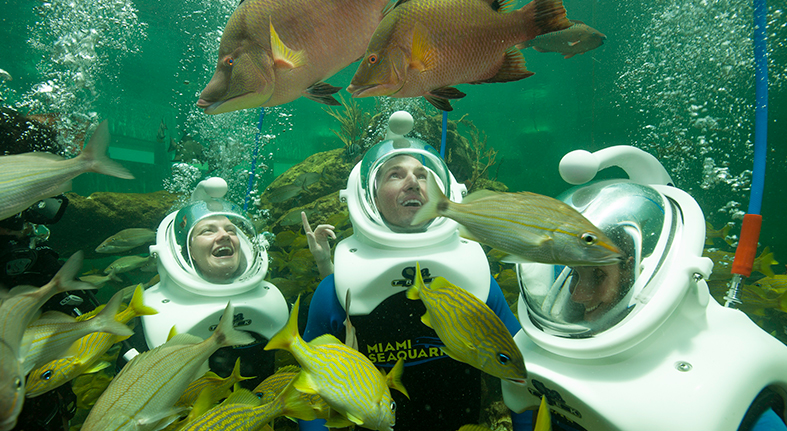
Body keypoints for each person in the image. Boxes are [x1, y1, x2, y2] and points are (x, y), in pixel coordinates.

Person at [503, 146, 787, 430]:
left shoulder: (727, 395)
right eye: (575, 276)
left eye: (599, 276)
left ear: (631, 269)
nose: (578, 295)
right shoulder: (550, 325)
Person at [300, 116, 530, 431]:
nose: (413, 182)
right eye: (395, 175)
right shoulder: (334, 292)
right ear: (370, 198)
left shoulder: (475, 277)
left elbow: (521, 369)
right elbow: (312, 394)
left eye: (422, 175)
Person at [135, 177, 289, 387]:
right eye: (208, 230)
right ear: (187, 251)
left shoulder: (270, 297)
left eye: (231, 230)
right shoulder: (150, 311)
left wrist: (324, 264)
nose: (224, 235)